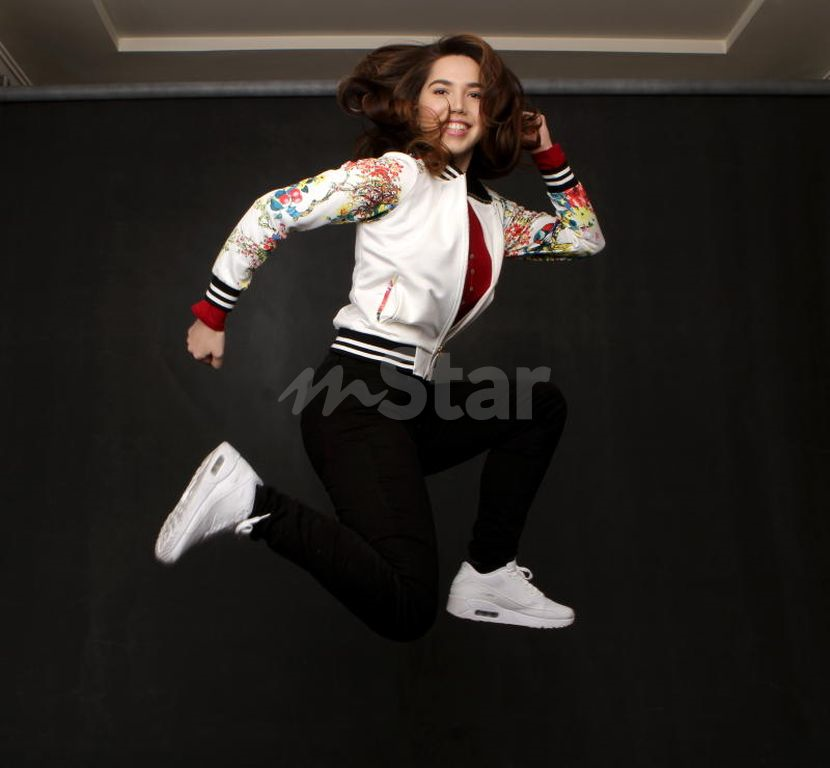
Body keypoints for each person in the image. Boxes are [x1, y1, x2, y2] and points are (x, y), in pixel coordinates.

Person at [154, 33, 605, 641]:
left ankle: (489, 571)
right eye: (440, 91)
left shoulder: (493, 214)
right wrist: (213, 313)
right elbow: (275, 210)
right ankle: (253, 503)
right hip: (355, 399)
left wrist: (547, 151)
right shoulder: (398, 177)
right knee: (407, 608)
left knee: (538, 406)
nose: (457, 106)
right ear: (414, 106)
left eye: (475, 94)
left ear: (492, 111)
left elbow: (583, 238)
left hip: (409, 402)